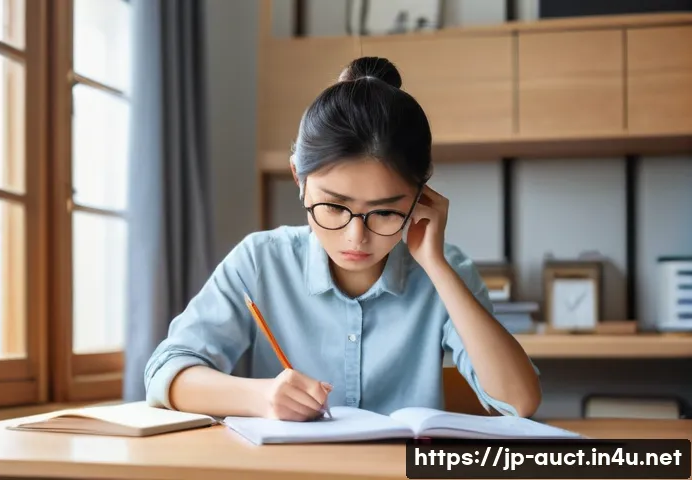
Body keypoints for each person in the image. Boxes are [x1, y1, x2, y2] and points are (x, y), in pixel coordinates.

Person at [144, 57, 541, 421]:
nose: (357, 237)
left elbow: (518, 402)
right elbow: (166, 371)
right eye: (333, 207)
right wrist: (261, 397)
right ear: (299, 180)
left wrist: (436, 266)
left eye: (385, 212)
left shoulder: (447, 270)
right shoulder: (260, 261)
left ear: (421, 198)